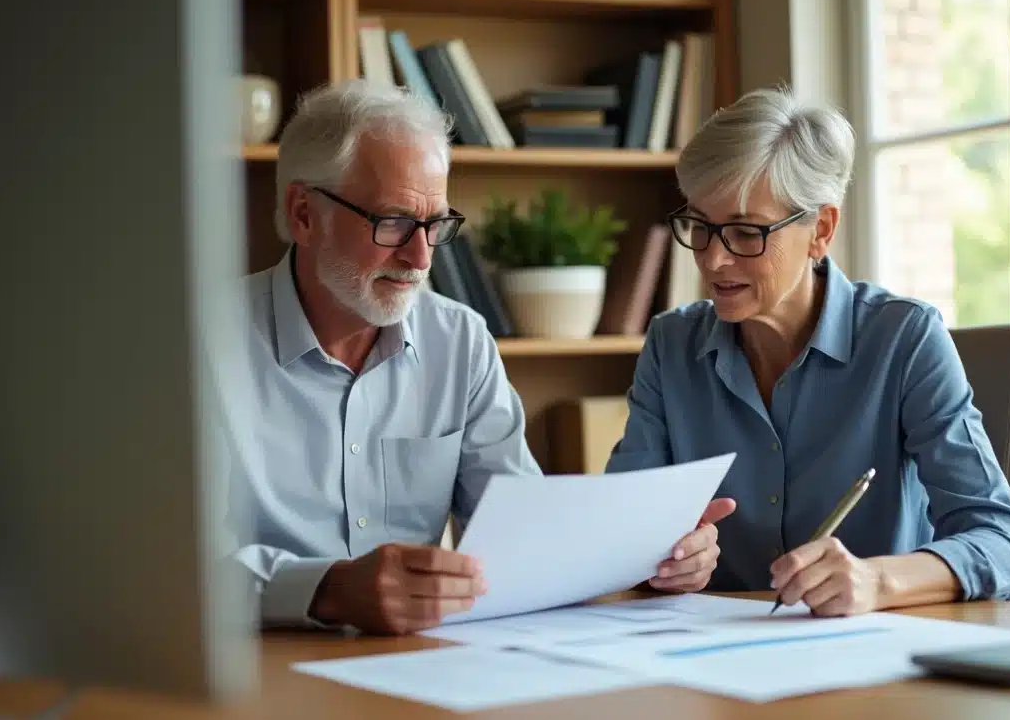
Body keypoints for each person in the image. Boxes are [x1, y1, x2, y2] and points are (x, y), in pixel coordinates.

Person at [216, 80, 728, 636]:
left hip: (423, 668)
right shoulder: (194, 348)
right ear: (303, 214)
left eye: (436, 225)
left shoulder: (459, 340)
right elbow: (168, 566)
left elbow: (526, 541)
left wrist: (652, 562)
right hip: (246, 670)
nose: (419, 256)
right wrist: (328, 590)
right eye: (392, 222)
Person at [605, 88, 1010, 617]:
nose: (714, 259)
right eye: (700, 226)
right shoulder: (671, 346)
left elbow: (1005, 544)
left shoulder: (905, 339)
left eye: (745, 232)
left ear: (821, 231)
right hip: (718, 659)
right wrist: (666, 563)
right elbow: (620, 535)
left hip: (880, 658)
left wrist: (878, 580)